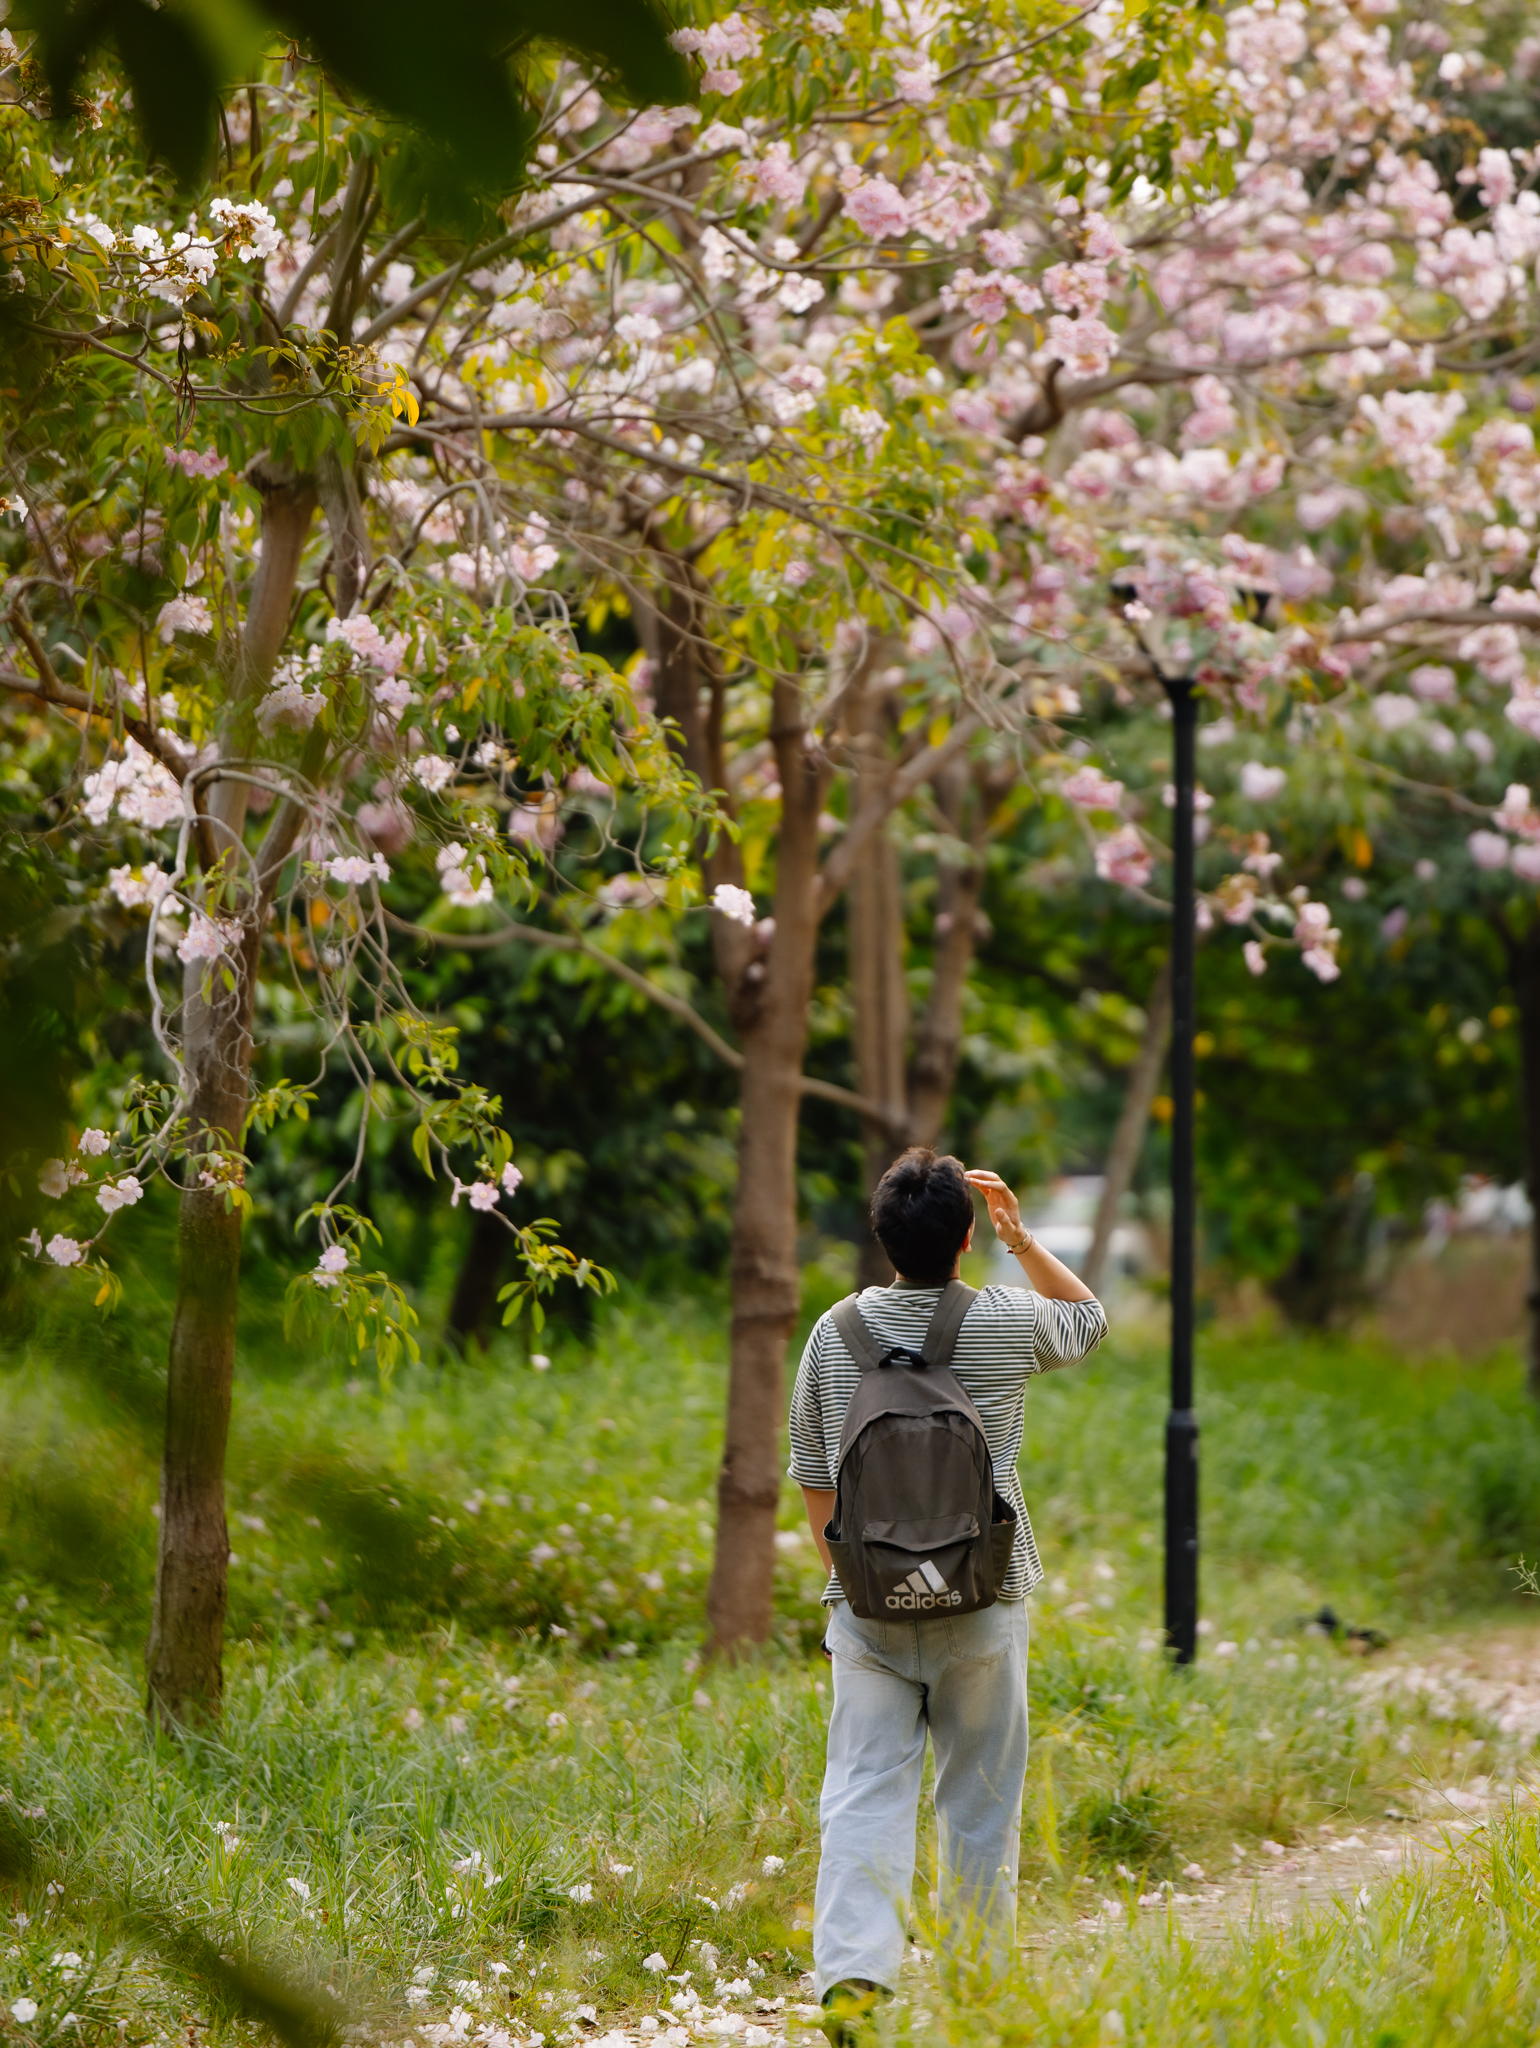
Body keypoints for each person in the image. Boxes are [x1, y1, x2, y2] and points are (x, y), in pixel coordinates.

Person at [787, 1147, 1107, 2036]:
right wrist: (1024, 1239)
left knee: (861, 1790)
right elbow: (1088, 1323)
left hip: (867, 1607)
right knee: (979, 1798)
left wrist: (855, 1583)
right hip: (986, 1593)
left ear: (882, 1235)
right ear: (966, 1238)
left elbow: (813, 1473)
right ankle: (974, 1990)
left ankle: (853, 1983)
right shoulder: (1004, 1320)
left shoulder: (833, 1333)